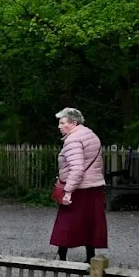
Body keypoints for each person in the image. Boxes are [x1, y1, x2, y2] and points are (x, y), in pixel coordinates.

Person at [50, 107, 108, 262]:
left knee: (66, 222)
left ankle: (62, 258)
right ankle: (90, 257)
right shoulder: (91, 135)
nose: (59, 127)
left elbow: (77, 168)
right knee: (90, 221)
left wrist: (68, 191)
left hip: (78, 188)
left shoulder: (73, 140)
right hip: (94, 187)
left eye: (63, 123)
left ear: (73, 123)